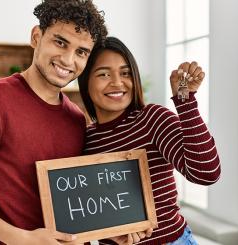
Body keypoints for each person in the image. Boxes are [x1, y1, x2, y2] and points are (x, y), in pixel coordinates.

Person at [0, 1, 107, 244]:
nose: (68, 60)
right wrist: (23, 239)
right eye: (60, 42)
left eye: (81, 52)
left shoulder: (77, 119)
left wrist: (112, 232)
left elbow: (79, 201)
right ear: (36, 37)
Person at [78, 37, 221, 245]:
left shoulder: (151, 119)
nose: (117, 82)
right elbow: (85, 210)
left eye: (125, 73)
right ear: (85, 81)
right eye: (104, 74)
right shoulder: (85, 140)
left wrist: (184, 99)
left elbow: (206, 173)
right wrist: (108, 233)